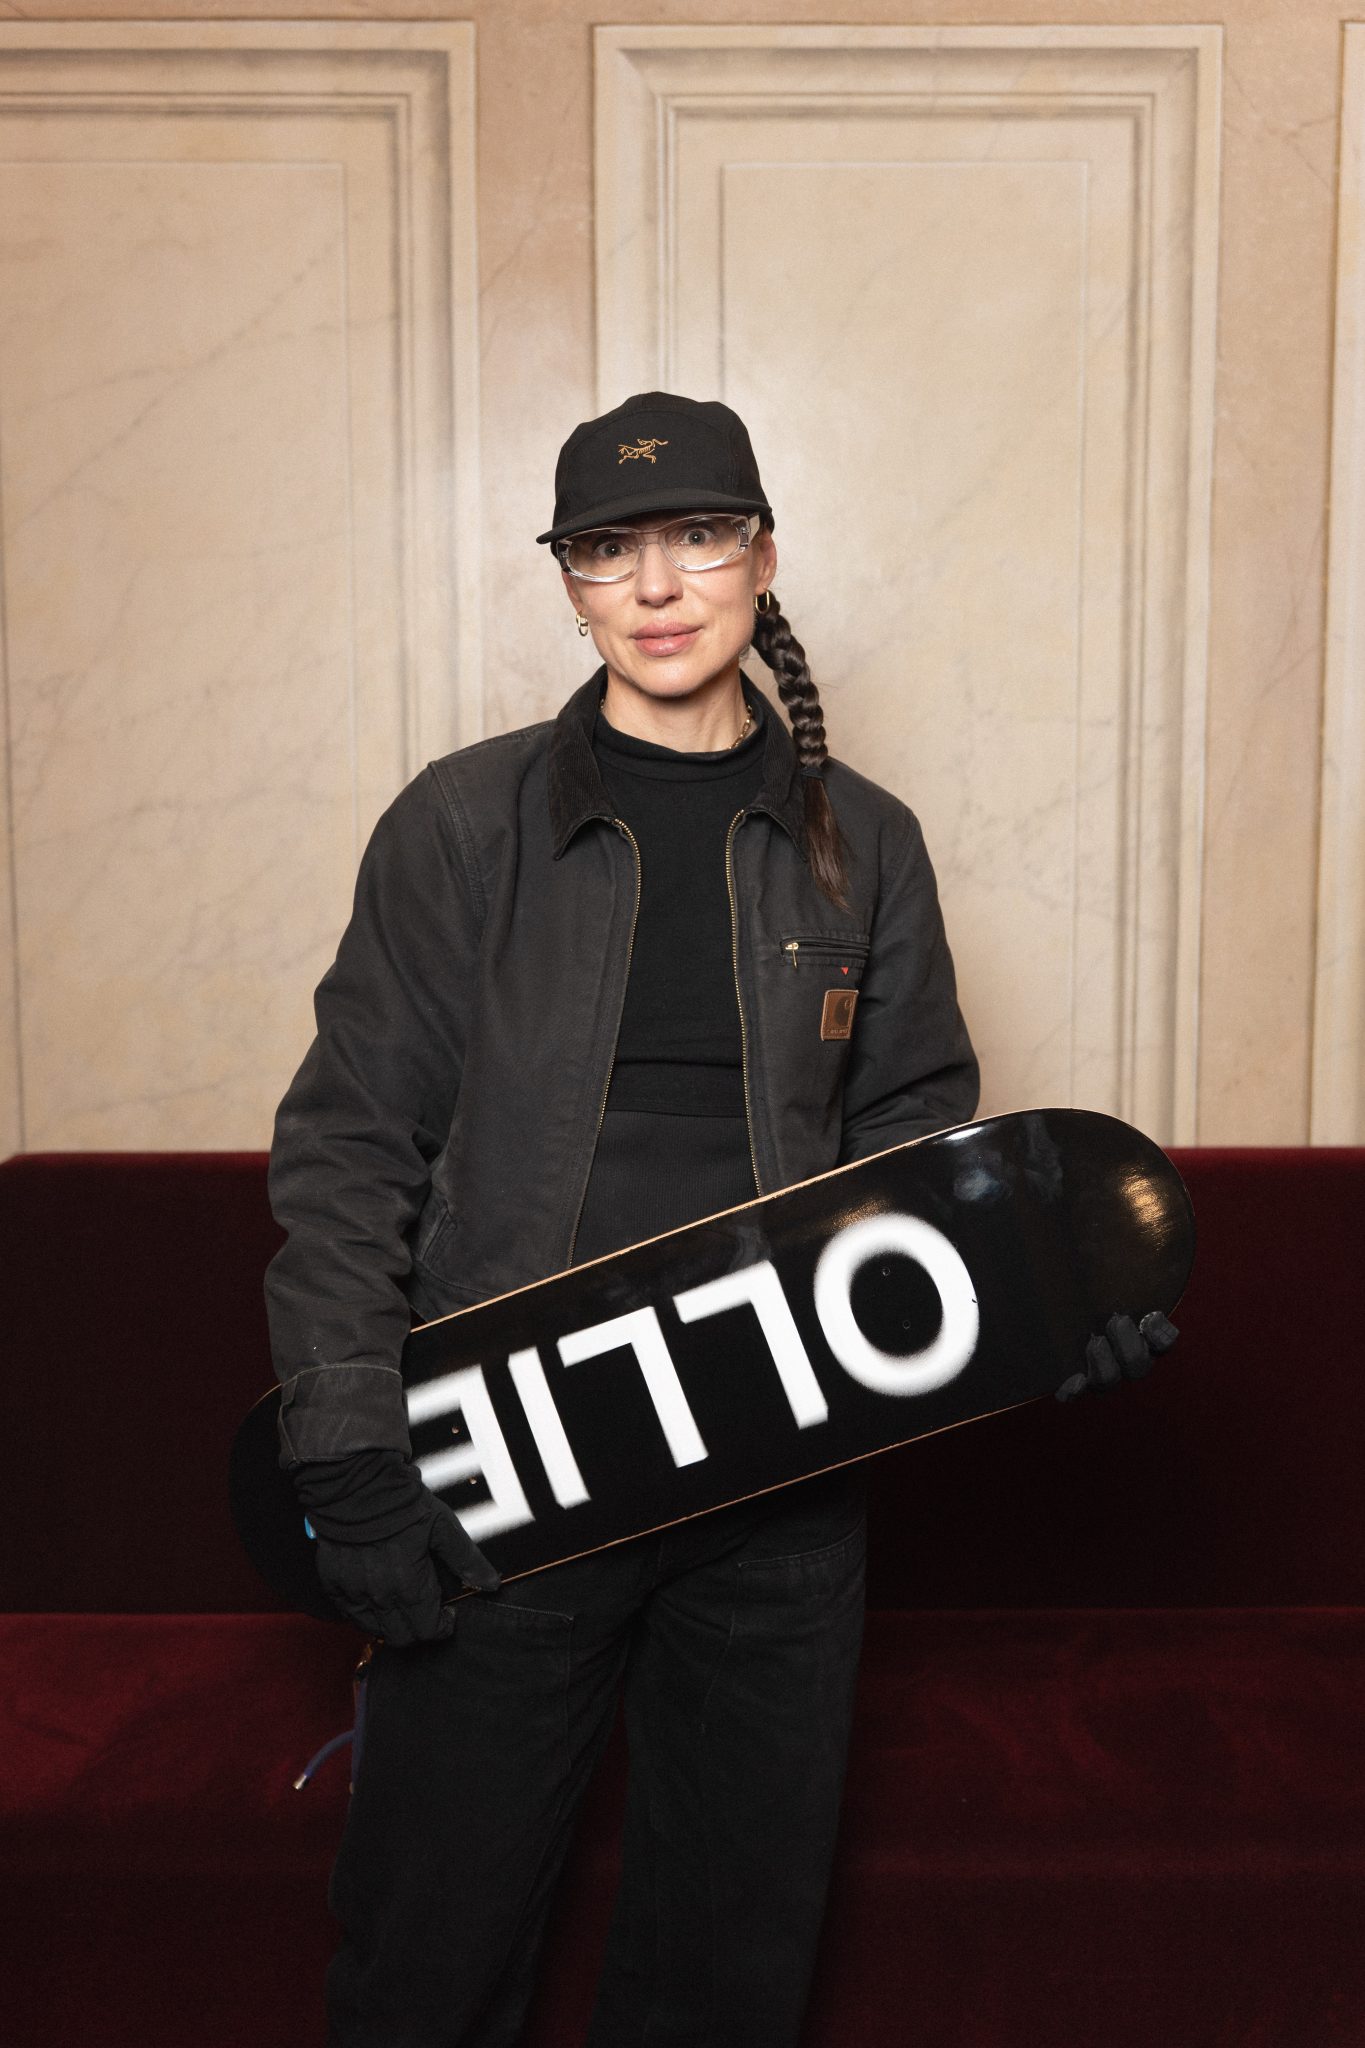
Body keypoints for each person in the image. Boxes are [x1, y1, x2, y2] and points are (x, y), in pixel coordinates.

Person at [263, 390, 1178, 2048]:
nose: (661, 584)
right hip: (505, 1471)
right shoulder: (461, 826)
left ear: (762, 556)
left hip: (778, 1484)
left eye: (697, 537)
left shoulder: (864, 845)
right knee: (426, 1956)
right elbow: (347, 1146)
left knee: (722, 1974)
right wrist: (348, 1451)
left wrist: (1043, 1304)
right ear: (570, 586)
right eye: (610, 551)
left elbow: (915, 1146)